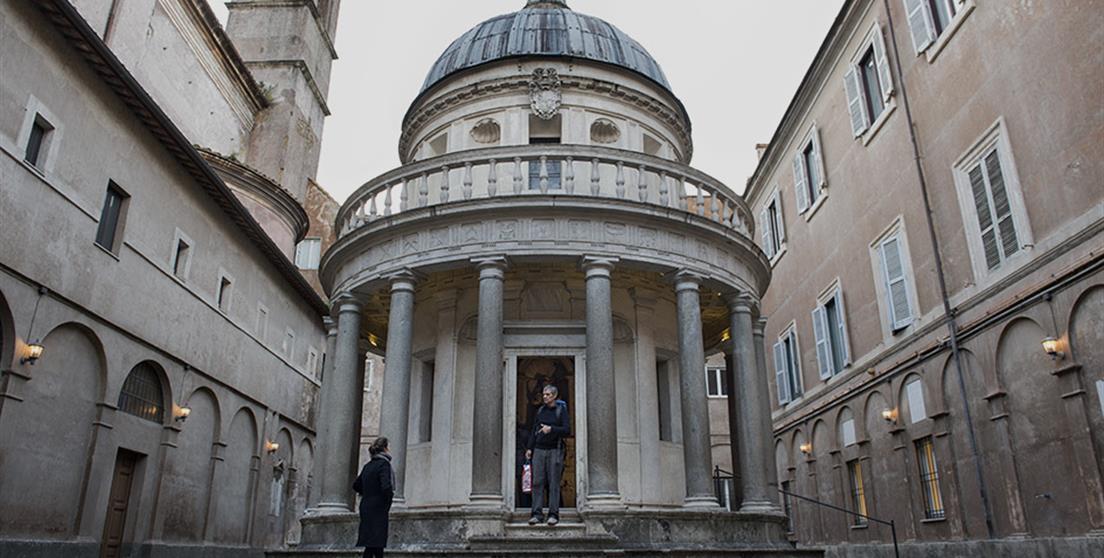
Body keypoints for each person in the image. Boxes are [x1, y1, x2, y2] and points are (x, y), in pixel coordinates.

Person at [525, 385, 570, 525]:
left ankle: (553, 514)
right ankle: (536, 514)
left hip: (555, 450)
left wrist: (551, 429)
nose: (545, 397)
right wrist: (529, 448)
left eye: (548, 394)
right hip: (539, 449)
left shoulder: (561, 410)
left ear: (554, 396)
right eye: (544, 394)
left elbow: (567, 430)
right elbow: (534, 430)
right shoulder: (540, 411)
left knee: (553, 483)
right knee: (537, 482)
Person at [353, 437, 394, 558]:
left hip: (366, 506)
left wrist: (368, 492)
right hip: (378, 507)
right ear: (385, 448)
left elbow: (356, 485)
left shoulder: (368, 466)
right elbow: (386, 486)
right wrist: (388, 500)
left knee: (373, 544)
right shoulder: (384, 464)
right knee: (375, 542)